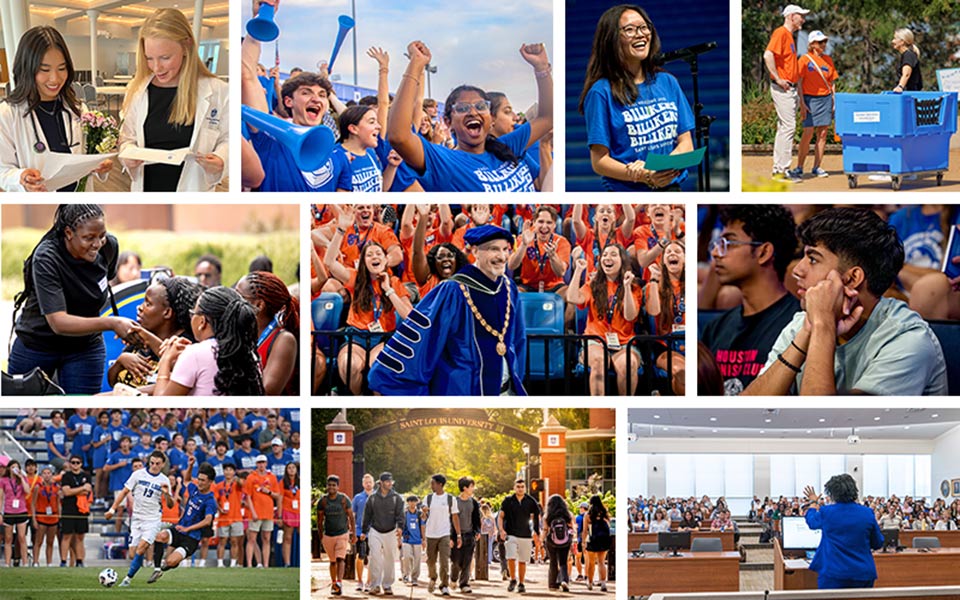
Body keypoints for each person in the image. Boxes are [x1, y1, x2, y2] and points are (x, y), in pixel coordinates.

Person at [744, 207, 948, 396]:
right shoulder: (804, 322)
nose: (797, 270)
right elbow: (747, 411)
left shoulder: (907, 340)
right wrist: (807, 333)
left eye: (813, 259)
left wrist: (823, 326)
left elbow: (825, 419)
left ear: (852, 278)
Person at [369, 225, 528, 395]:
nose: (502, 256)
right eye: (494, 249)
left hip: (506, 392)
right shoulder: (453, 290)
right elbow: (426, 338)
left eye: (505, 249)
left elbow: (518, 339)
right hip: (465, 393)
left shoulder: (508, 288)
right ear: (475, 251)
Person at [7, 204, 141, 395]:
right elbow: (58, 322)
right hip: (37, 345)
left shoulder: (108, 247)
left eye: (101, 235)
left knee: (82, 403)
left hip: (85, 348)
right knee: (24, 405)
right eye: (89, 238)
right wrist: (112, 323)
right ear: (69, 233)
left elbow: (105, 278)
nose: (97, 244)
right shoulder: (47, 257)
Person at [387, 40, 553, 192]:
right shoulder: (446, 162)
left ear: (491, 119)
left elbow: (548, 118)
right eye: (462, 108)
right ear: (448, 122)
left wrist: (541, 68)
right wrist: (416, 64)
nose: (473, 112)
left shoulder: (508, 145)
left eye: (481, 107)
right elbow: (399, 137)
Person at [579, 5, 694, 191]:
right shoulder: (601, 92)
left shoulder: (667, 82)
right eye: (630, 30)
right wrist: (645, 175)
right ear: (611, 38)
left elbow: (686, 143)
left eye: (644, 27)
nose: (640, 34)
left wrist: (662, 169)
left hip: (671, 189)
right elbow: (599, 161)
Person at [240, 2, 351, 192]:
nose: (316, 99)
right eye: (306, 92)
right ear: (288, 101)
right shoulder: (271, 136)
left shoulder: (339, 154)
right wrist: (258, 19)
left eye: (322, 95)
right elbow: (246, 74)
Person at [118, 8, 228, 192]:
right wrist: (127, 155)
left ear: (186, 46)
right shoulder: (136, 91)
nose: (156, 67)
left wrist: (221, 159)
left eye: (165, 58)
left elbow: (229, 138)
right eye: (149, 58)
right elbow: (127, 138)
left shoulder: (219, 91)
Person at [701, 205, 801, 395]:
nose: (715, 253)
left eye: (729, 243)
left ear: (764, 252)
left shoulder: (798, 325)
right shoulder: (715, 329)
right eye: (718, 244)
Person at [0, 26, 112, 192]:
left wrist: (100, 164)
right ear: (27, 69)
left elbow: (87, 157)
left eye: (61, 68)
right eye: (45, 70)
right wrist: (21, 178)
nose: (55, 78)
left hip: (79, 203)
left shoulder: (78, 109)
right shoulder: (8, 114)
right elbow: (2, 170)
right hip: (38, 205)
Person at [325, 210, 414, 395]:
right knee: (349, 365)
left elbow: (408, 316)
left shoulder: (394, 282)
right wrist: (341, 230)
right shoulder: (355, 278)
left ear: (386, 259)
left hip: (382, 338)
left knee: (378, 367)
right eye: (370, 255)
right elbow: (330, 262)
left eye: (378, 254)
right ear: (363, 262)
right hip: (356, 337)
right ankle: (359, 398)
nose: (375, 257)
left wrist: (388, 289)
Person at [154, 286, 265, 396]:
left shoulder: (195, 354)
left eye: (193, 314)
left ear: (202, 321)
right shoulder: (249, 354)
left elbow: (162, 403)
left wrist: (165, 360)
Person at [568, 244, 643, 395]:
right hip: (596, 341)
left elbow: (630, 316)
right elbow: (572, 297)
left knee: (628, 365)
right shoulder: (593, 284)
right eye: (605, 255)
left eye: (613, 254)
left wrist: (626, 287)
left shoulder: (634, 287)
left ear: (622, 260)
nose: (608, 258)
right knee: (599, 362)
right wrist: (578, 271)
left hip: (623, 344)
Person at [108, 276, 202, 390]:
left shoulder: (186, 344)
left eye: (148, 304)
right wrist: (121, 361)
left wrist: (132, 394)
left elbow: (177, 382)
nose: (140, 307)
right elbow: (112, 382)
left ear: (167, 312)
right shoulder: (140, 339)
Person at [106, 450, 174, 587]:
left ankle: (127, 579)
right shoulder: (138, 474)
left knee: (141, 548)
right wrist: (112, 509)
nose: (154, 466)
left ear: (163, 464)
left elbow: (170, 505)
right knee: (133, 554)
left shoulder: (164, 480)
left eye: (157, 464)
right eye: (152, 463)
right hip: (136, 518)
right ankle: (145, 567)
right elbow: (124, 492)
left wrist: (167, 494)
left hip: (152, 519)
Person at [803, 474, 884, 589]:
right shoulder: (867, 513)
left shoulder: (827, 512)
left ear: (832, 494)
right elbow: (877, 543)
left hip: (834, 573)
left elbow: (812, 522)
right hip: (863, 573)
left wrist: (813, 502)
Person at [146, 463, 219, 584]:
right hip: (179, 530)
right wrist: (190, 465)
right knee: (159, 536)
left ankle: (168, 565)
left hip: (191, 538)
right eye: (199, 479)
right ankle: (157, 569)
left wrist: (188, 529)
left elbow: (207, 521)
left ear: (210, 482)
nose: (199, 482)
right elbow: (186, 480)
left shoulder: (210, 501)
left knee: (170, 562)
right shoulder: (194, 490)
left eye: (203, 480)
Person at [764, 4, 809, 182]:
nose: (803, 19)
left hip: (789, 88)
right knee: (788, 127)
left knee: (784, 128)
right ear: (791, 16)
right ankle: (782, 170)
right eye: (800, 16)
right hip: (783, 88)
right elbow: (768, 55)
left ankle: (779, 169)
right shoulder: (781, 33)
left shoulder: (788, 36)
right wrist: (778, 78)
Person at [237, 271, 299, 395]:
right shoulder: (244, 333)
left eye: (238, 297)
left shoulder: (284, 340)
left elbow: (267, 391)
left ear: (259, 305)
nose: (233, 302)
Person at [788, 30, 836, 179]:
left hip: (825, 99)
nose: (823, 45)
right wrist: (802, 102)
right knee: (808, 132)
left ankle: (817, 167)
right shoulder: (804, 60)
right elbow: (799, 82)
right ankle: (799, 167)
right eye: (820, 42)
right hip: (809, 99)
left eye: (824, 42)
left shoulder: (828, 60)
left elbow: (832, 82)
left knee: (823, 134)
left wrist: (833, 100)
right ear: (812, 44)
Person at [646, 240, 686, 394]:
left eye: (677, 251)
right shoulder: (655, 285)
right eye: (668, 252)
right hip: (666, 345)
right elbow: (653, 311)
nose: (672, 254)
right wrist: (654, 280)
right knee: (683, 372)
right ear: (663, 261)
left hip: (692, 343)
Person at [508, 205, 571, 294]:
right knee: (512, 293)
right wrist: (523, 245)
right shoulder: (523, 238)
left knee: (569, 294)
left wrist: (553, 256)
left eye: (549, 222)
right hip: (528, 285)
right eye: (541, 222)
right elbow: (511, 266)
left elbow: (561, 272)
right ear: (534, 223)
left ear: (554, 225)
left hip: (554, 287)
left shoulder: (562, 242)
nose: (544, 226)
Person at [361, 472, 405, 595]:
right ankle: (375, 585)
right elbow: (367, 515)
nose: (390, 483)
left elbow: (400, 515)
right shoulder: (372, 498)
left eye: (391, 481)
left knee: (389, 558)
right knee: (375, 557)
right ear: (381, 483)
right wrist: (364, 531)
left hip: (391, 531)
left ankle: (387, 585)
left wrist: (400, 527)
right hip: (375, 530)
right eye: (387, 481)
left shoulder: (396, 498)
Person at [498, 479, 542, 594]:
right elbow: (501, 516)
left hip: (526, 535)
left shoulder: (531, 501)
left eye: (522, 487)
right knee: (511, 557)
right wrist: (501, 530)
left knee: (522, 560)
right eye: (518, 486)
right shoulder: (508, 501)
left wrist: (536, 533)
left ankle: (521, 583)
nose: (520, 489)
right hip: (511, 533)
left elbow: (536, 518)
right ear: (514, 488)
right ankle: (513, 579)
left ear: (525, 488)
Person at [317, 475, 356, 596]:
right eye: (329, 485)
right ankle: (334, 583)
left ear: (338, 487)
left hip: (342, 533)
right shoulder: (323, 501)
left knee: (340, 558)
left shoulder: (344, 499)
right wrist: (320, 536)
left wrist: (353, 534)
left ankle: (339, 582)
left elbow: (351, 517)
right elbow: (319, 520)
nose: (331, 487)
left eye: (334, 485)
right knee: (333, 561)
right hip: (328, 535)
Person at [422, 473, 460, 595]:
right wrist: (424, 512)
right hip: (430, 534)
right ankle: (433, 578)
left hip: (444, 533)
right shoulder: (428, 498)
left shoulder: (450, 499)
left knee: (444, 561)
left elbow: (455, 517)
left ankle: (444, 585)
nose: (431, 486)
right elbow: (423, 516)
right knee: (431, 561)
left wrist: (458, 535)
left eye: (433, 483)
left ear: (440, 484)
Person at [244, 454, 280, 568]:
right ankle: (249, 564)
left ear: (266, 463)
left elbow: (277, 495)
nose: (261, 465)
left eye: (263, 462)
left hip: (268, 512)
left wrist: (268, 492)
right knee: (252, 539)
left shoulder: (272, 477)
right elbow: (248, 496)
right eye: (259, 463)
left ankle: (266, 564)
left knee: (266, 539)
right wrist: (253, 512)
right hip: (256, 512)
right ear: (256, 464)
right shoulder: (251, 477)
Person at [60, 454, 93, 567]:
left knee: (80, 536)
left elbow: (87, 491)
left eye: (77, 462)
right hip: (68, 509)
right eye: (73, 462)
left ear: (81, 464)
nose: (75, 465)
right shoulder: (66, 476)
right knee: (66, 536)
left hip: (82, 510)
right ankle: (63, 561)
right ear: (69, 464)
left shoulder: (86, 476)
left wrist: (74, 490)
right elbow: (66, 492)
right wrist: (81, 489)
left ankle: (79, 560)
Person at [451, 477, 481, 594]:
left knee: (467, 561)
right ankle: (453, 578)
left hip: (469, 535)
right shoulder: (454, 502)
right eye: (471, 486)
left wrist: (477, 531)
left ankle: (464, 584)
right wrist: (451, 537)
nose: (473, 489)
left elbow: (476, 519)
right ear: (464, 488)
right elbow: (450, 520)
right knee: (456, 561)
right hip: (456, 536)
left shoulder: (473, 502)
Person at [30, 464, 63, 567]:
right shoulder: (38, 487)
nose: (47, 475)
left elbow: (58, 502)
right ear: (41, 475)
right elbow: (33, 504)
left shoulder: (56, 487)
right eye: (44, 473)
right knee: (38, 541)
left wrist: (59, 516)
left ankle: (49, 562)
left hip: (53, 517)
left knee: (50, 541)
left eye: (49, 473)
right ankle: (36, 561)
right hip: (41, 516)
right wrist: (34, 519)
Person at [212, 461, 244, 568]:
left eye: (230, 470)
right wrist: (219, 508)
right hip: (223, 517)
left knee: (235, 541)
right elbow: (214, 499)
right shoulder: (219, 485)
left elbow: (243, 485)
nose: (228, 472)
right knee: (222, 540)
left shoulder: (236, 484)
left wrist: (237, 478)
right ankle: (220, 563)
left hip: (236, 517)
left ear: (234, 472)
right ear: (223, 472)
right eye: (226, 470)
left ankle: (233, 563)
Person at [542, 493, 575, 592]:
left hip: (551, 541)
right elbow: (572, 528)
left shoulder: (547, 516)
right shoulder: (568, 515)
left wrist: (541, 540)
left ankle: (553, 584)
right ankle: (564, 580)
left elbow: (545, 529)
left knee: (553, 561)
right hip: (565, 541)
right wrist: (573, 539)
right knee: (563, 562)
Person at [0, 460, 30, 567]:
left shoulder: (23, 479)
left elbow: (27, 491)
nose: (14, 469)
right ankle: (7, 563)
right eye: (12, 467)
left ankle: (25, 562)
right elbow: (1, 497)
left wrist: (21, 478)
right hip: (9, 510)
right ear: (9, 468)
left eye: (16, 467)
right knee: (8, 538)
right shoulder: (3, 480)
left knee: (22, 537)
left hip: (21, 510)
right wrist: (0, 513)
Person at [352, 473, 376, 592]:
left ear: (373, 483)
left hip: (375, 532)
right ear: (363, 484)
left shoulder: (378, 497)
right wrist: (351, 530)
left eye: (370, 482)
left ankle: (369, 582)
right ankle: (360, 581)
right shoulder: (357, 498)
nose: (368, 484)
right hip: (360, 532)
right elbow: (352, 514)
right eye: (366, 482)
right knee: (360, 556)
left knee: (372, 557)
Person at [584, 495, 612, 592]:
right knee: (601, 562)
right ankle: (603, 583)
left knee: (591, 563)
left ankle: (590, 582)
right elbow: (609, 525)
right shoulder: (604, 513)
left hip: (593, 539)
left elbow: (585, 530)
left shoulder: (588, 515)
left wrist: (583, 542)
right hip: (604, 539)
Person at [401, 495, 424, 586]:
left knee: (417, 560)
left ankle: (414, 578)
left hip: (417, 539)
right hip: (407, 539)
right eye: (410, 501)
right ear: (408, 502)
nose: (412, 503)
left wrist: (424, 539)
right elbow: (400, 526)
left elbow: (422, 526)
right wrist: (399, 539)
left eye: (414, 501)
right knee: (406, 557)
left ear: (417, 502)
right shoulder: (404, 514)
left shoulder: (419, 514)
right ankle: (406, 574)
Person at [892, 28, 922, 92]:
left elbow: (906, 74)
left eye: (895, 39)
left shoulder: (908, 55)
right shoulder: (906, 55)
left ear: (902, 41)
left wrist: (900, 87)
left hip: (908, 93)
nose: (892, 41)